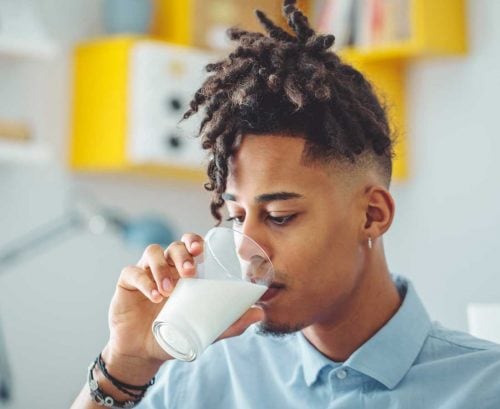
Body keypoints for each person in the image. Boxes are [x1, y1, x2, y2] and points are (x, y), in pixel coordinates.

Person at [71, 1, 500, 408]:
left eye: (280, 217)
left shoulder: (482, 387)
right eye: (237, 216)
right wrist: (124, 364)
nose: (245, 248)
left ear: (372, 215)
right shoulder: (203, 373)